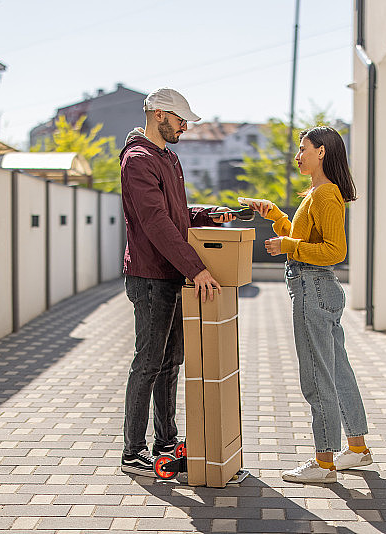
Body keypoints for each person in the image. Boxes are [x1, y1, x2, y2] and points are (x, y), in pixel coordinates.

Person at [242, 126, 372, 483]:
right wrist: (277, 218)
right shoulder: (315, 193)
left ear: (322, 152)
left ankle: (324, 463)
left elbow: (335, 251)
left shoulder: (326, 194)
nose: (297, 156)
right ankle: (357, 450)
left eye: (303, 149)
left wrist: (287, 246)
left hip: (313, 288)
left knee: (316, 375)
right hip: (317, 289)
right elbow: (303, 237)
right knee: (337, 369)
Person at [118, 87, 234, 477]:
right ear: (158, 114)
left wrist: (207, 214)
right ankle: (133, 452)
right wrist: (196, 268)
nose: (185, 127)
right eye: (181, 119)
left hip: (170, 275)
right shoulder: (138, 160)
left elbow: (176, 213)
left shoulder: (167, 158)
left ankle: (165, 442)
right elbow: (155, 222)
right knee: (148, 364)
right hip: (151, 278)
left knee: (170, 363)